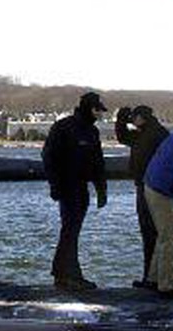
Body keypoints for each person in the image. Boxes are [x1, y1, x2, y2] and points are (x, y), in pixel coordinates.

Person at [42, 91, 108, 290]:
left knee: (71, 232)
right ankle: (68, 275)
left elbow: (98, 163)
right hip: (67, 187)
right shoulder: (64, 127)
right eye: (99, 111)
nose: (101, 115)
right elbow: (48, 156)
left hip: (81, 187)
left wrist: (101, 190)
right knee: (69, 231)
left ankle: (64, 274)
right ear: (91, 108)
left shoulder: (92, 131)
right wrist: (55, 185)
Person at [116, 105, 168, 288]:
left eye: (133, 117)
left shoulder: (151, 134)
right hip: (152, 186)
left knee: (151, 233)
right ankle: (153, 277)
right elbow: (123, 137)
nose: (132, 121)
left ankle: (153, 277)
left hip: (151, 187)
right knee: (155, 233)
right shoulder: (153, 132)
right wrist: (121, 121)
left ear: (141, 118)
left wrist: (122, 120)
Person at [143, 132, 173, 296]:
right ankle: (166, 284)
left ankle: (154, 278)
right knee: (169, 237)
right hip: (161, 189)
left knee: (164, 235)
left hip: (153, 184)